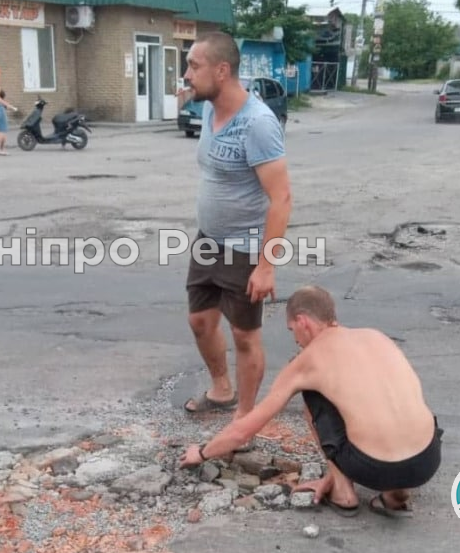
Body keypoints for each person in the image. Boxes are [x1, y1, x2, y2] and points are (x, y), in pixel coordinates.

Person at [179, 285, 443, 518]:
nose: (295, 339)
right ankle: (397, 494)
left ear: (303, 321)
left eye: (292, 330)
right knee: (390, 396)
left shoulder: (308, 360)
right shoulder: (376, 336)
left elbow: (244, 430)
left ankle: (343, 491)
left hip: (373, 468)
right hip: (427, 460)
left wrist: (201, 453)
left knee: (313, 395)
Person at [180, 31, 293, 428]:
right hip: (208, 242)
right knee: (200, 321)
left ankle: (245, 418)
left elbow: (281, 199)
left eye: (194, 66)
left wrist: (266, 266)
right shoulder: (210, 110)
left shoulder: (258, 124)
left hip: (245, 249)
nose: (187, 74)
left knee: (245, 336)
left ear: (222, 70)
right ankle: (221, 390)